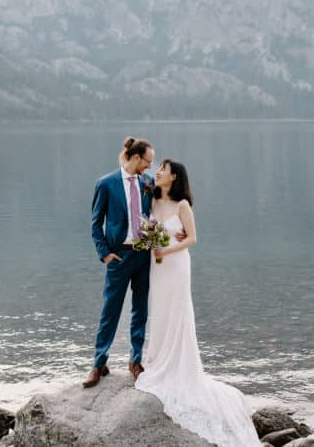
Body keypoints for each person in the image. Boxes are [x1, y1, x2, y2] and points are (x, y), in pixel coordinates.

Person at [134, 159, 259, 446]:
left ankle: (178, 365)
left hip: (175, 263)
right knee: (160, 310)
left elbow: (192, 238)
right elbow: (146, 226)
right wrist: (152, 243)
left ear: (174, 176)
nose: (159, 171)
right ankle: (157, 358)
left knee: (178, 311)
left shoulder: (182, 206)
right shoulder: (152, 200)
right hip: (159, 264)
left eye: (164, 168)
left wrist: (164, 248)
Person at [84, 136, 156, 388]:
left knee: (141, 310)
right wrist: (104, 253)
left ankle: (135, 361)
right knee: (110, 311)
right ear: (136, 158)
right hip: (119, 256)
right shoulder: (106, 183)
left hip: (143, 255)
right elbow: (95, 223)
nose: (149, 166)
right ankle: (99, 363)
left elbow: (153, 215)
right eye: (148, 161)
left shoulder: (148, 183)